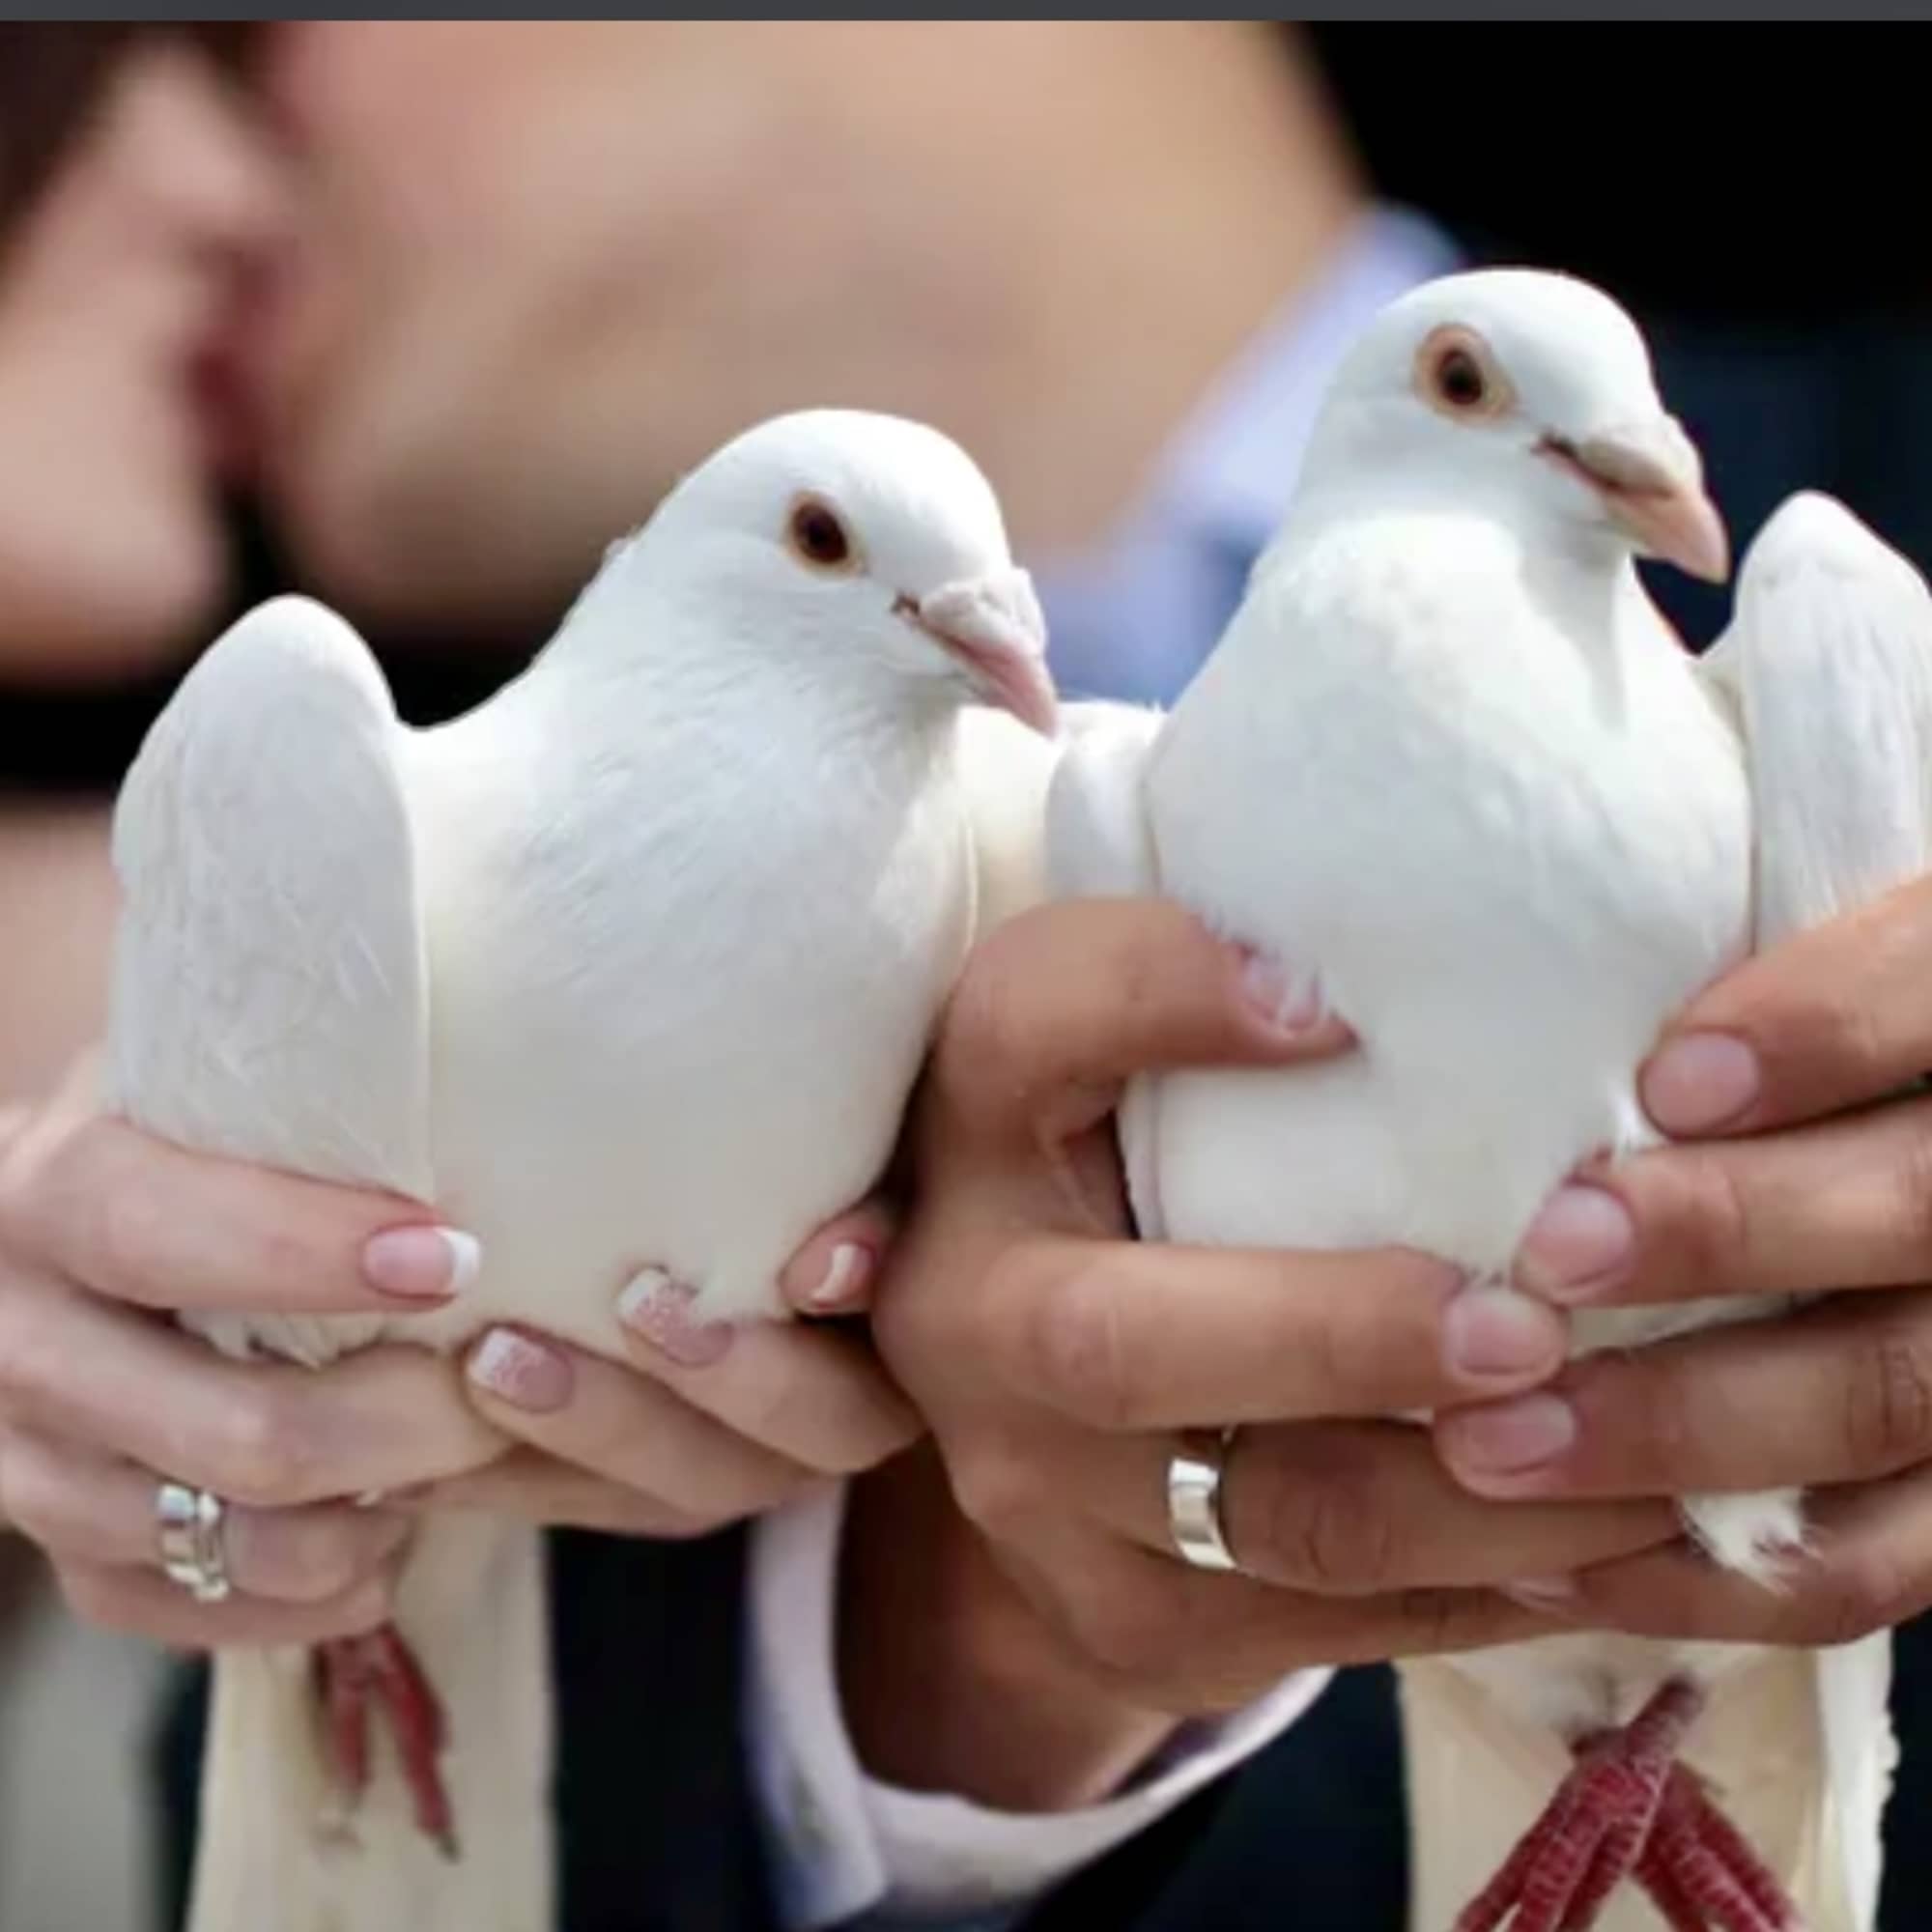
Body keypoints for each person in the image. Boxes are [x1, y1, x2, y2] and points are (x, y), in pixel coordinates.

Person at [4, 21, 1932, 1932]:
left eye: (247, 25)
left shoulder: (1841, 579)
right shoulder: (382, 851)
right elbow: (330, 1839)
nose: (206, 164)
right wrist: (963, 1661)